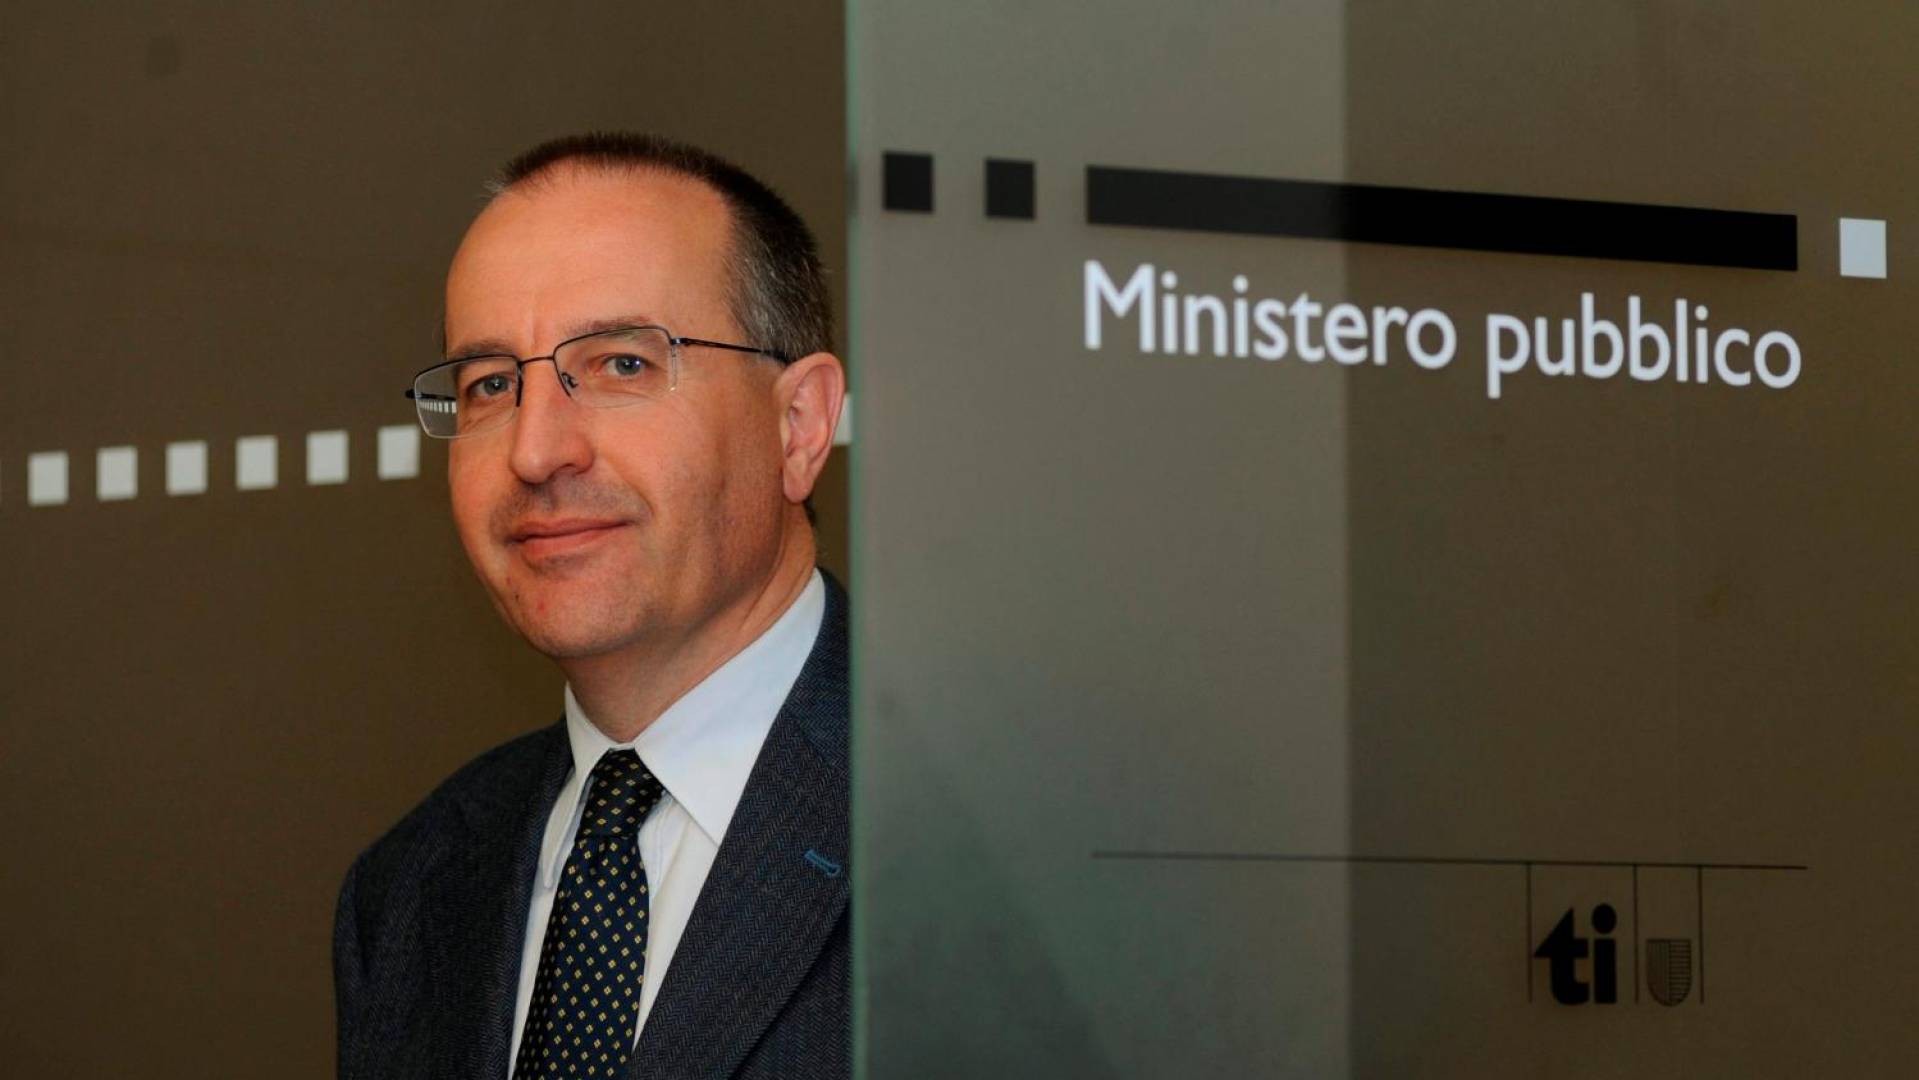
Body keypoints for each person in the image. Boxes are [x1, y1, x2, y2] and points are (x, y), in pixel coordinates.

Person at [333, 132, 849, 1080]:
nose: (535, 451)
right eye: (491, 384)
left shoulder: (1019, 824)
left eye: (621, 365)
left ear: (798, 426)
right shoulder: (410, 889)